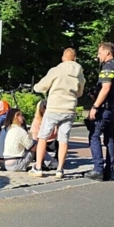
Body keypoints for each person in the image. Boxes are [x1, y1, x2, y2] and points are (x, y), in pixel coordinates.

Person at [30, 48, 85, 177]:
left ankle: (38, 167)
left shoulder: (56, 70)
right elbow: (80, 92)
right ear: (75, 59)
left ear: (63, 58)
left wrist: (36, 87)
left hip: (54, 107)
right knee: (63, 139)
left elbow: (42, 86)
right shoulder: (79, 73)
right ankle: (60, 169)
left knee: (43, 136)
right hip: (70, 109)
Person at [85, 42, 114, 181]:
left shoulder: (107, 67)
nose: (98, 55)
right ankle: (109, 168)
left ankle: (98, 169)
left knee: (94, 137)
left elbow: (106, 88)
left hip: (104, 108)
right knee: (109, 138)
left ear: (107, 53)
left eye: (99, 52)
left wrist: (95, 106)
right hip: (113, 107)